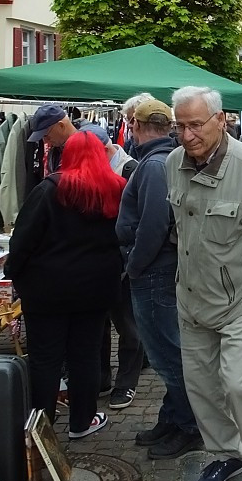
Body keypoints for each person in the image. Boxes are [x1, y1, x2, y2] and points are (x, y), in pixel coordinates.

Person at [168, 86, 242, 481]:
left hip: (241, 303)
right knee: (200, 385)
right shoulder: (171, 164)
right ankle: (225, 454)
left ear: (221, 120)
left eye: (196, 125)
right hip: (192, 301)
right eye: (180, 126)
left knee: (239, 385)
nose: (187, 135)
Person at [6, 130, 125, 440]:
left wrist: (13, 273)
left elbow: (23, 240)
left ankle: (40, 428)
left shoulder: (49, 190)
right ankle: (81, 421)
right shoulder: (117, 189)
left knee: (45, 358)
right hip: (95, 289)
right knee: (84, 356)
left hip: (47, 290)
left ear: (67, 154)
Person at [116, 99, 202, 459]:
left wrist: (134, 265)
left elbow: (153, 225)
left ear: (134, 123)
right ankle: (173, 417)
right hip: (159, 268)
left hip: (153, 271)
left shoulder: (153, 164)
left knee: (166, 354)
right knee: (168, 350)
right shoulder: (165, 158)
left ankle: (189, 427)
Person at [78, 123, 144, 410]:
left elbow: (140, 219)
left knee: (128, 327)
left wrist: (133, 260)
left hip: (124, 263)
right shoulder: (86, 174)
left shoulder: (131, 170)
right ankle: (102, 377)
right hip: (97, 264)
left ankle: (126, 383)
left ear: (104, 147)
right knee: (100, 325)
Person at [27, 103, 76, 172]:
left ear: (61, 126)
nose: (45, 141)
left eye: (46, 135)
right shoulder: (57, 149)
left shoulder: (87, 149)